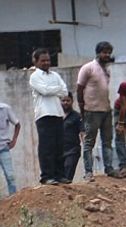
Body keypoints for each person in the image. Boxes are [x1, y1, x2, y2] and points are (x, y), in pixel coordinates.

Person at [76, 41, 115, 179]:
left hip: (106, 110)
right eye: (104, 52)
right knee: (89, 143)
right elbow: (79, 88)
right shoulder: (88, 68)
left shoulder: (107, 69)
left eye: (109, 52)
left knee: (107, 141)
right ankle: (88, 172)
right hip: (91, 111)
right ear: (98, 53)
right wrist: (82, 107)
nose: (107, 55)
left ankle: (109, 169)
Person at [29, 48, 68, 186]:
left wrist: (52, 88)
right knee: (47, 147)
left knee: (59, 146)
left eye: (48, 60)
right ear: (35, 61)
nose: (46, 63)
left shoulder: (55, 75)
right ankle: (47, 176)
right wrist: (55, 89)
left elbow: (64, 91)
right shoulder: (34, 76)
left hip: (57, 113)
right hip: (44, 114)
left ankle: (60, 175)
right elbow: (44, 91)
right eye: (43, 60)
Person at [62, 93, 84, 183]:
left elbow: (83, 132)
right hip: (58, 151)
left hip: (72, 150)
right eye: (63, 100)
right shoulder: (56, 116)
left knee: (67, 176)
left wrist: (86, 145)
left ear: (72, 101)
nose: (65, 103)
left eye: (68, 100)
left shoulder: (77, 116)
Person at [0, 100, 21, 196]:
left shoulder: (5, 109)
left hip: (3, 148)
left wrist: (14, 140)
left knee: (10, 176)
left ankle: (13, 199)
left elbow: (17, 124)